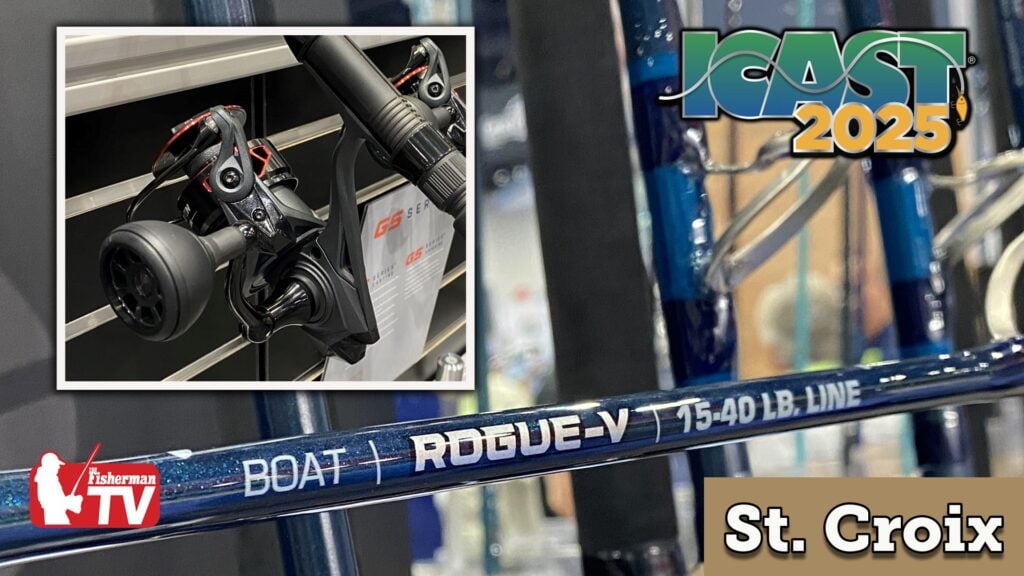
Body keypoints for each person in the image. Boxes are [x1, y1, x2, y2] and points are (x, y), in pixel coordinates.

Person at [34, 451, 82, 525]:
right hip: (56, 518)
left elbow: (57, 500)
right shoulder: (47, 480)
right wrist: (70, 501)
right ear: (49, 465)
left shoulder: (50, 479)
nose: (58, 467)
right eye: (56, 465)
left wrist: (69, 500)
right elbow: (52, 503)